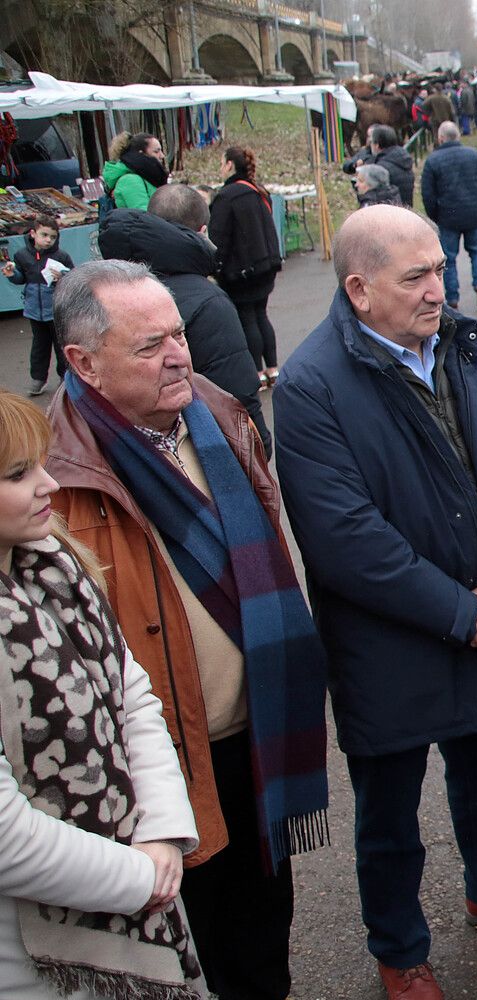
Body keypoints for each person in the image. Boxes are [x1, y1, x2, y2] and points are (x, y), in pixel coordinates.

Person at [272, 206, 477, 1000]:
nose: (436, 289)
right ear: (358, 288)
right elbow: (346, 540)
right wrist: (468, 614)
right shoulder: (311, 386)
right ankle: (399, 950)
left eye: (440, 269)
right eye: (414, 277)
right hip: (395, 646)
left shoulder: (461, 344)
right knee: (389, 818)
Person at [48, 260, 330, 1000]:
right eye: (149, 346)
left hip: (256, 735)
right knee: (188, 946)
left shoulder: (217, 412)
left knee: (265, 928)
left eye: (178, 333)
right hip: (158, 766)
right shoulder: (53, 472)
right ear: (83, 363)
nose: (179, 354)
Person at [0, 388, 204, 999]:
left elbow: (132, 695)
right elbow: (7, 838)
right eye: (17, 474)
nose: (48, 486)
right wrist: (140, 877)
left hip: (134, 876)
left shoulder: (53, 566)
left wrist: (163, 830)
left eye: (41, 463)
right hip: (32, 951)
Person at [100, 191, 270, 454]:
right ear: (203, 231)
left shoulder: (106, 293)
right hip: (199, 451)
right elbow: (237, 391)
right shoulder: (208, 302)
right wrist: (259, 448)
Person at [209, 147, 283, 388]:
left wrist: (215, 266)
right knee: (261, 315)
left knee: (248, 319)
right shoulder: (258, 191)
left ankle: (257, 372)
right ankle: (273, 368)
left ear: (230, 165)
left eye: (222, 163)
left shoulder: (227, 196)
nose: (221, 167)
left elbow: (218, 237)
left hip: (241, 271)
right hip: (264, 266)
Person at [422, 121, 477, 308]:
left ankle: (452, 297)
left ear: (440, 138)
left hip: (448, 216)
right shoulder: (475, 155)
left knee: (449, 258)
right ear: (458, 136)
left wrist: (434, 216)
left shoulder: (433, 160)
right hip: (474, 213)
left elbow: (428, 194)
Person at [2, 215, 72, 397]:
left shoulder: (61, 256)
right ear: (33, 234)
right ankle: (38, 378)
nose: (48, 240)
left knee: (60, 346)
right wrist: (11, 274)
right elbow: (21, 278)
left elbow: (74, 277)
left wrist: (63, 277)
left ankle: (65, 378)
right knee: (39, 346)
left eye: (53, 237)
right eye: (44, 235)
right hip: (34, 310)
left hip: (56, 311)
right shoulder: (22, 256)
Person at [103, 132, 168, 211]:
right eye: (156, 151)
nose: (162, 156)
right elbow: (144, 217)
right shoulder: (129, 180)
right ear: (141, 154)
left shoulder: (147, 177)